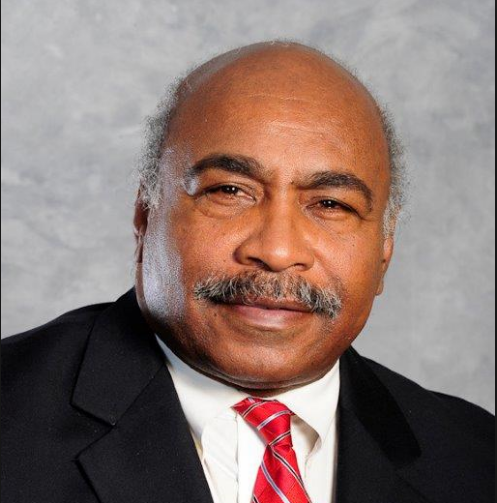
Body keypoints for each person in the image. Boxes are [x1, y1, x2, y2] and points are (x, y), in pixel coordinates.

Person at [1, 42, 494, 503]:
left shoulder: (475, 457)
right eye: (230, 191)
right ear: (145, 216)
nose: (276, 251)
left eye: (330, 204)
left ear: (384, 251)